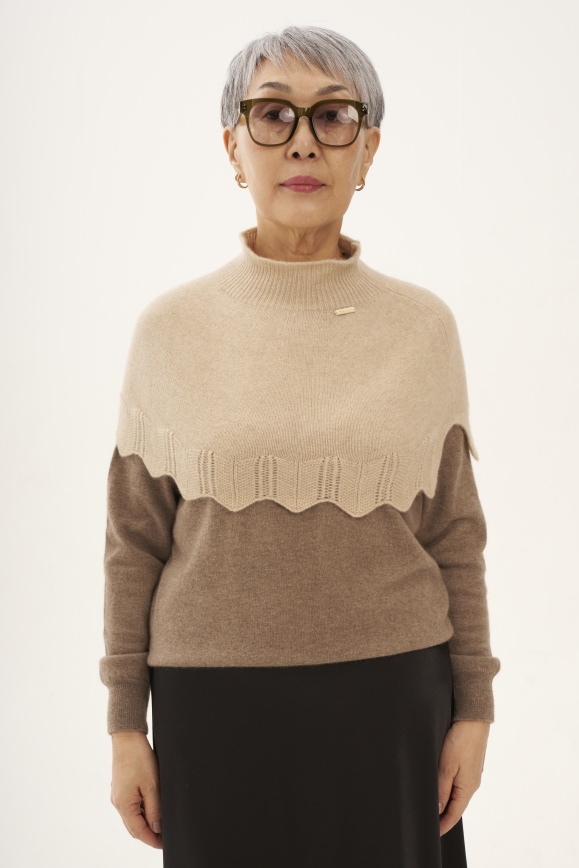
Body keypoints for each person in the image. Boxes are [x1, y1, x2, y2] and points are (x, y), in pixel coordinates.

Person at [99, 25, 501, 868]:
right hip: (211, 708)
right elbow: (133, 541)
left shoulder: (422, 327)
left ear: (368, 150)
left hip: (394, 697)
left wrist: (474, 710)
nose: (304, 142)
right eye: (273, 114)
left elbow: (454, 536)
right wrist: (123, 725)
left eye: (334, 116)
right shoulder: (170, 329)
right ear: (233, 149)